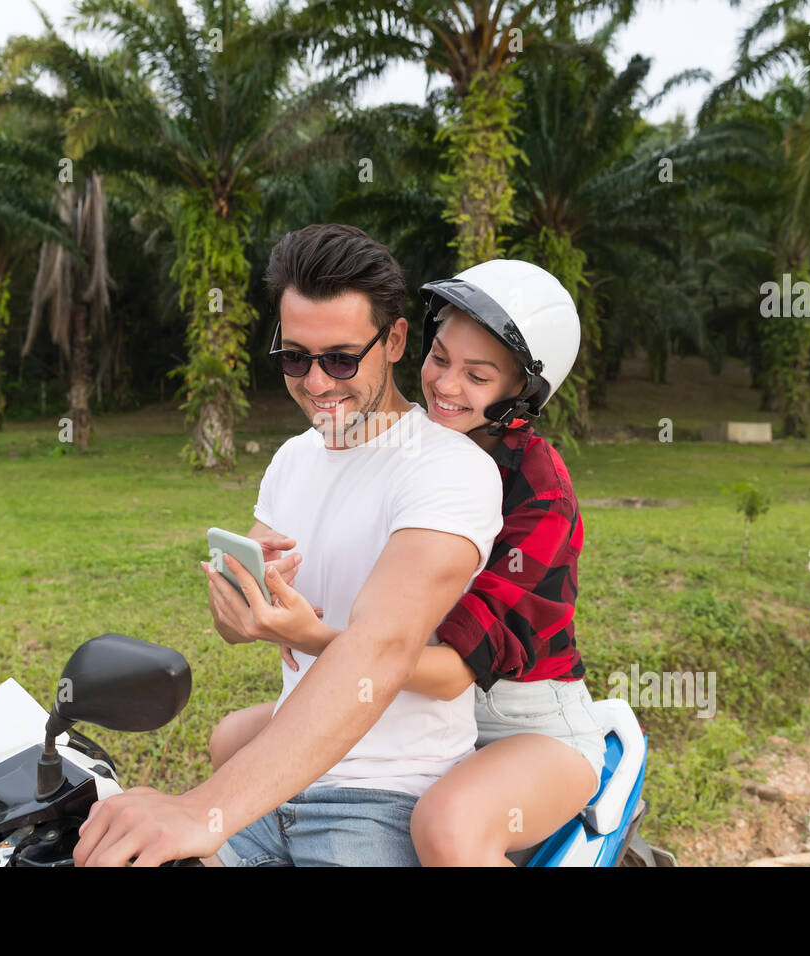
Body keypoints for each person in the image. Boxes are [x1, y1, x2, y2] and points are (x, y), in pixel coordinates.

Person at [73, 224, 503, 867]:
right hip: (274, 789)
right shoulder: (292, 461)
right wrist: (238, 609)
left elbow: (380, 647)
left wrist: (201, 808)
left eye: (340, 358)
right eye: (295, 358)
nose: (317, 383)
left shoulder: (447, 469)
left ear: (395, 340)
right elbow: (238, 630)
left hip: (383, 805)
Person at [208, 258, 606, 866]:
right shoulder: (383, 445)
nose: (446, 385)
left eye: (478, 375)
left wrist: (316, 637)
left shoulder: (538, 491)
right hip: (414, 704)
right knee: (233, 739)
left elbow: (453, 671)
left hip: (522, 715)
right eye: (440, 358)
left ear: (521, 394)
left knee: (449, 828)